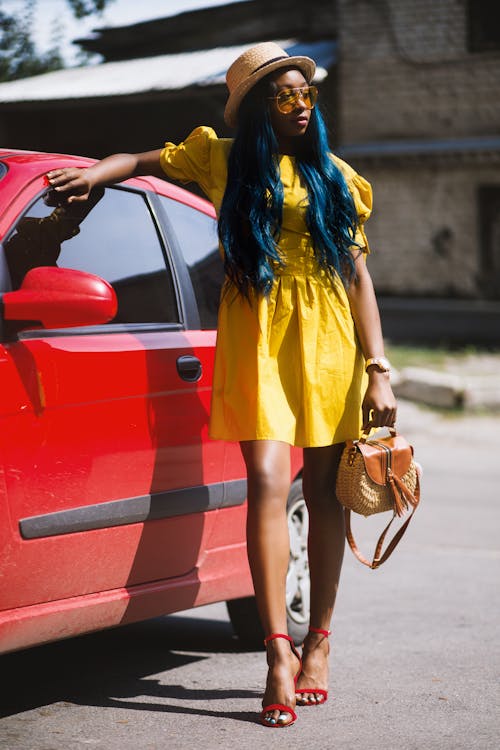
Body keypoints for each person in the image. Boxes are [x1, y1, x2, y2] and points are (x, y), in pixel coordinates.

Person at [46, 42, 397, 728]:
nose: (299, 107)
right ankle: (275, 653)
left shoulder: (337, 177)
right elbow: (145, 161)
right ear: (259, 107)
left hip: (329, 344)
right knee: (267, 482)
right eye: (283, 97)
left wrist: (379, 367)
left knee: (326, 494)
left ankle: (317, 643)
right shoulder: (225, 158)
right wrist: (94, 174)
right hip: (258, 336)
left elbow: (358, 278)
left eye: (307, 95)